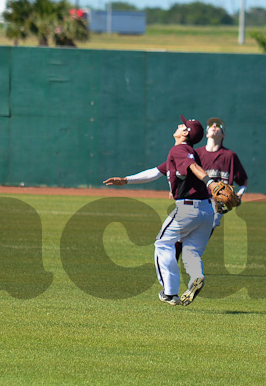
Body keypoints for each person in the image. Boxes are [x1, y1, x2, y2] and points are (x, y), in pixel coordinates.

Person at [104, 116, 216, 306]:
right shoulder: (184, 152)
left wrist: (210, 182)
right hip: (206, 211)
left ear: (186, 133)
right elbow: (155, 172)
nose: (180, 125)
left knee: (163, 244)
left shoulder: (180, 149)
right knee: (191, 252)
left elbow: (192, 166)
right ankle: (197, 277)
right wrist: (126, 180)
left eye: (183, 125)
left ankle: (169, 293)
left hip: (188, 208)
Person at [197, 117, 249, 229]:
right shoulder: (197, 154)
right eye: (211, 126)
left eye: (218, 126)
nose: (214, 127)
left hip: (218, 201)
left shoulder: (230, 156)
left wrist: (240, 193)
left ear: (223, 135)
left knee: (210, 224)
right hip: (198, 198)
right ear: (206, 134)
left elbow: (243, 179)